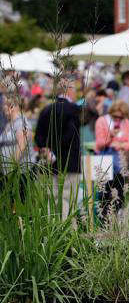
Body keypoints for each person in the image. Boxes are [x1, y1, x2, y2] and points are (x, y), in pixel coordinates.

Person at [34, 79, 82, 220]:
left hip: (50, 161)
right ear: (69, 91)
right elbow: (71, 135)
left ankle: (52, 230)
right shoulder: (73, 109)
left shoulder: (46, 110)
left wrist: (48, 150)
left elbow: (38, 137)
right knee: (68, 198)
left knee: (52, 197)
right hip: (70, 163)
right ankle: (65, 233)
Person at [94, 100, 129, 217]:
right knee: (104, 192)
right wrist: (110, 136)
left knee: (119, 192)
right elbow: (99, 143)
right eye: (115, 116)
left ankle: (117, 219)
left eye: (121, 117)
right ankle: (103, 220)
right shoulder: (102, 121)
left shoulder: (125, 123)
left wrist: (119, 145)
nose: (118, 119)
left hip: (119, 162)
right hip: (104, 161)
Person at [0, 97, 33, 169]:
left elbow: (22, 144)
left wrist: (13, 166)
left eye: (5, 106)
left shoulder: (21, 122)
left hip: (19, 171)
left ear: (12, 107)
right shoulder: (9, 123)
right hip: (8, 170)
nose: (3, 110)